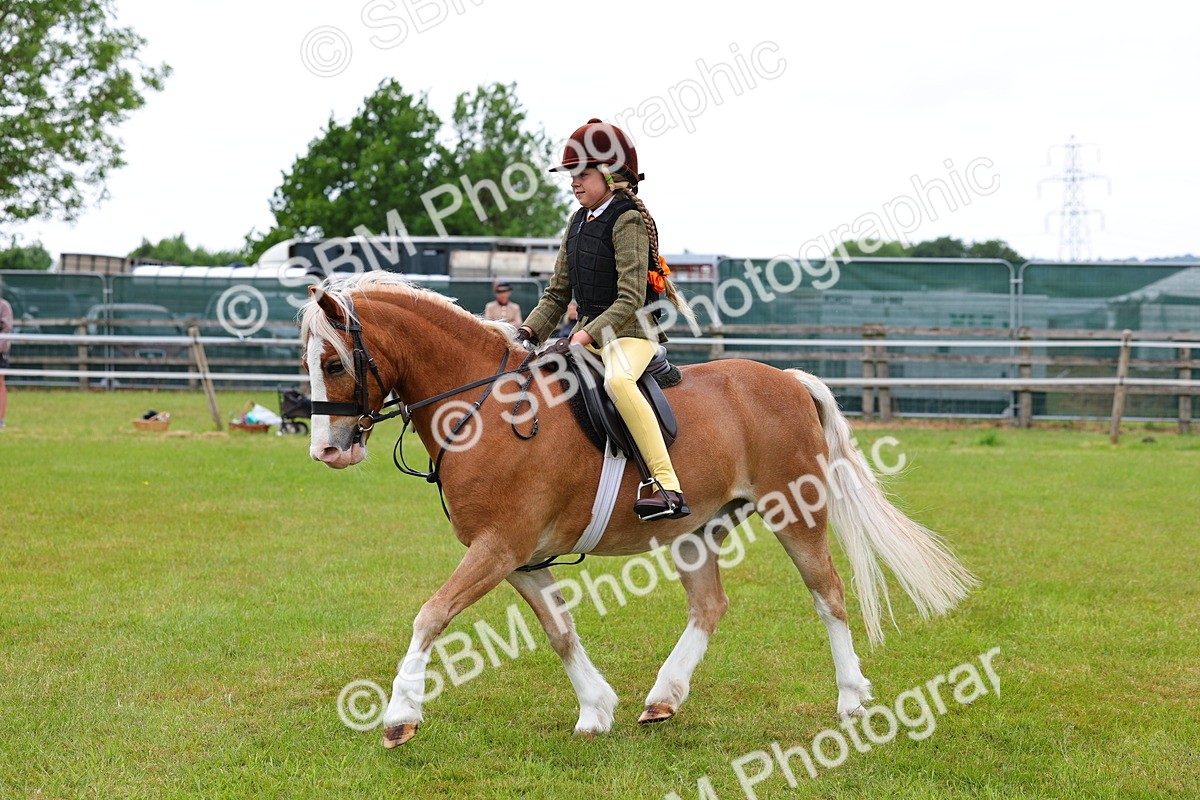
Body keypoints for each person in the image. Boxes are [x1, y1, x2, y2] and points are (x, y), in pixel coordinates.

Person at [517, 118, 691, 520]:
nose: (574, 183)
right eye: (571, 175)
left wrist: (583, 337)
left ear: (611, 176)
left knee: (618, 381)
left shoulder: (627, 219)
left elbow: (630, 298)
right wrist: (526, 332)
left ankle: (666, 485)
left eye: (583, 174)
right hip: (590, 335)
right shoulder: (577, 221)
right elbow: (557, 293)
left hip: (631, 333)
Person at [0, 290, 11, 429]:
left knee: (0, 383)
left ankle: (0, 419)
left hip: (0, 352)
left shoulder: (4, 307)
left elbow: (6, 330)